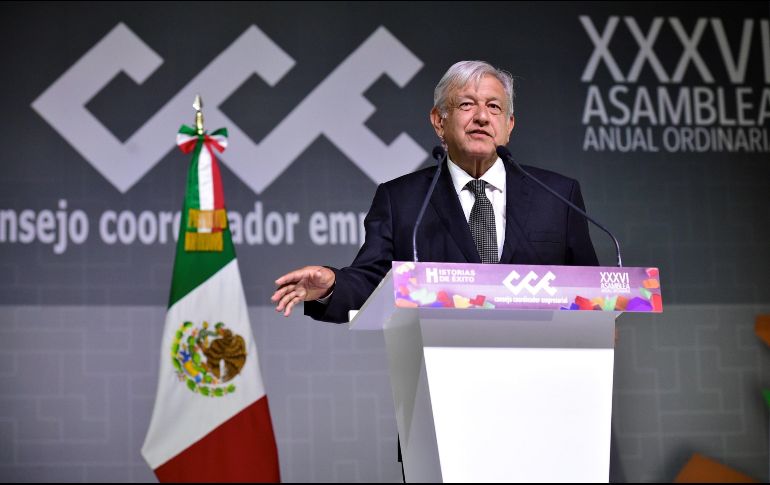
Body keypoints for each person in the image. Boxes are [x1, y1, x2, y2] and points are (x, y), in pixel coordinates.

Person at [271, 60, 598, 321]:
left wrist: (602, 325)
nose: (482, 117)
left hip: (545, 373)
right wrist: (331, 286)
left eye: (494, 107)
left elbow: (591, 290)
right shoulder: (402, 201)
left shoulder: (557, 196)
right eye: (467, 104)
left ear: (509, 126)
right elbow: (374, 282)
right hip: (445, 375)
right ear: (439, 121)